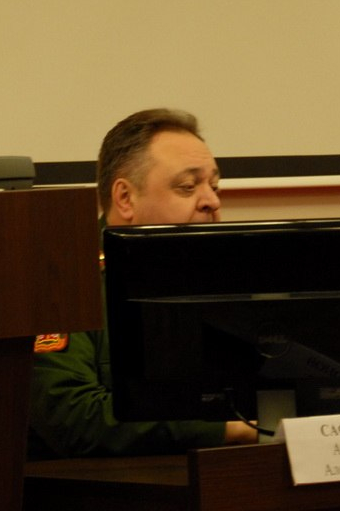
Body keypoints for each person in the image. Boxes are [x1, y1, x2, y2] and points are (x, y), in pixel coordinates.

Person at [28, 108, 258, 458]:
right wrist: (222, 429)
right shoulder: (65, 280)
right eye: (188, 187)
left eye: (214, 186)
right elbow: (71, 416)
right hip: (104, 483)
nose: (212, 201)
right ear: (125, 198)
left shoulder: (226, 277)